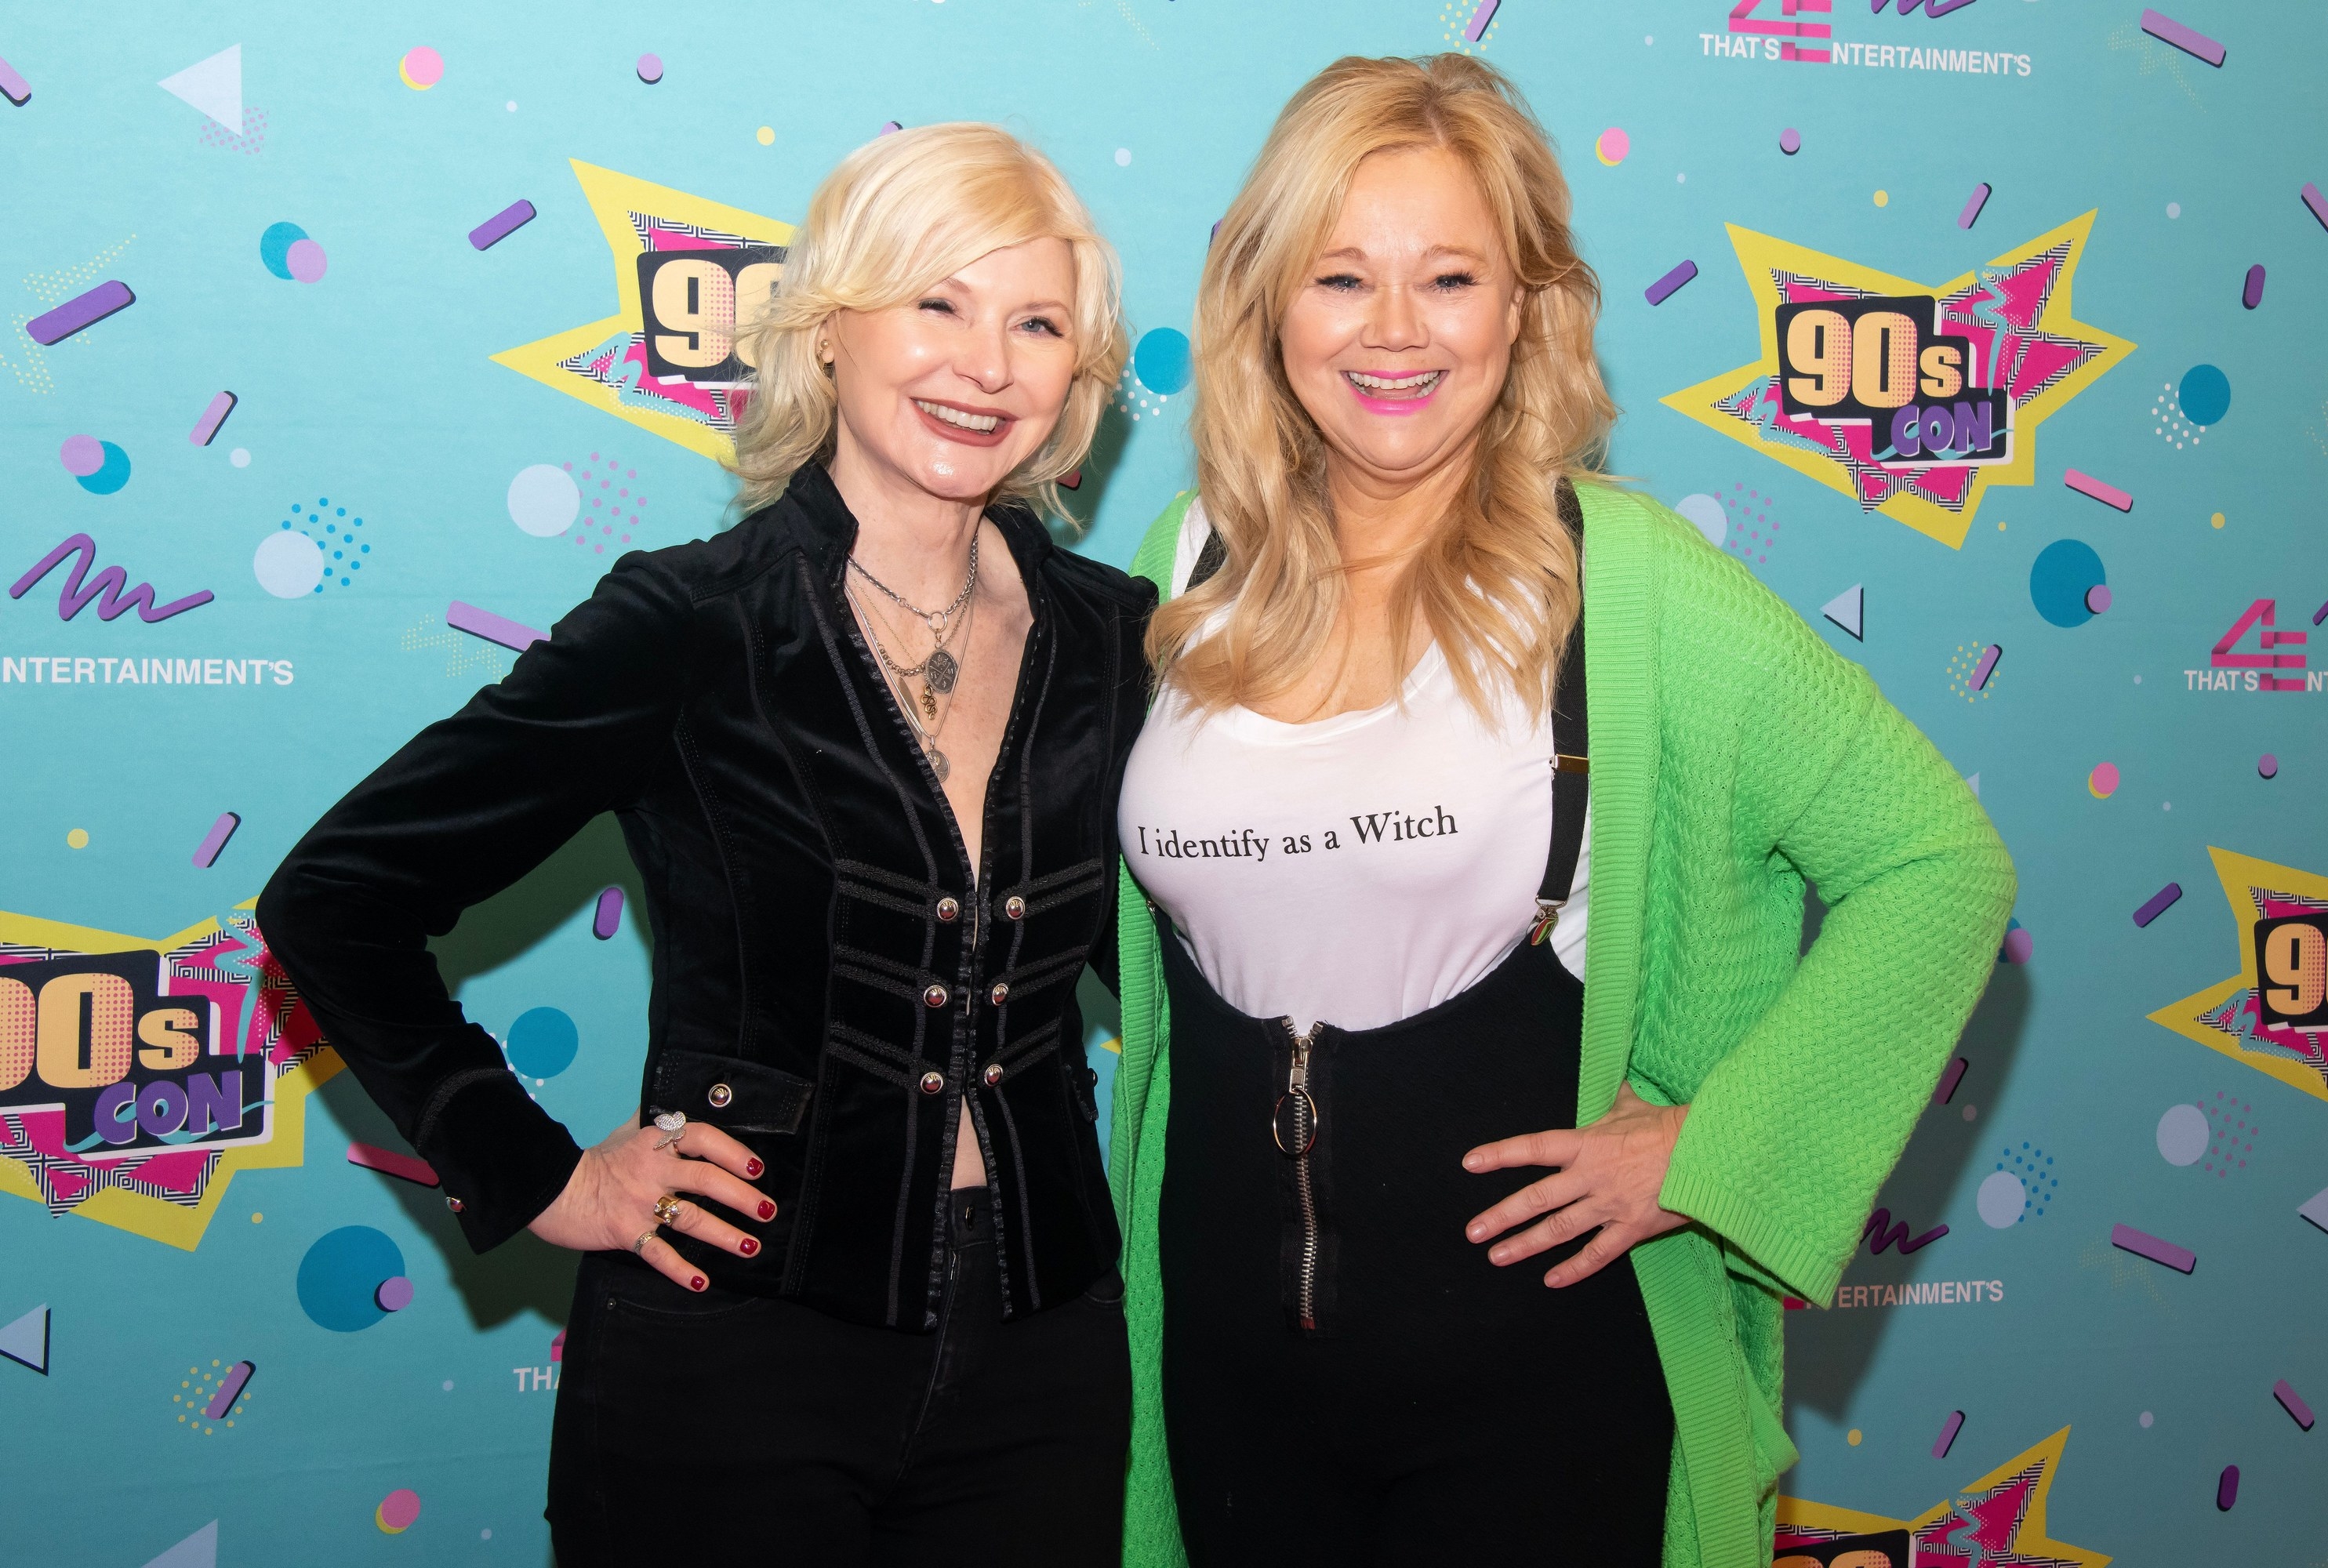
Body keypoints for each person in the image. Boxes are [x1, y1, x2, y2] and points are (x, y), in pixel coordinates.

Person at [1106, 55, 2015, 1566]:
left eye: (1449, 277)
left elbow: (1936, 861)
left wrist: (1712, 1153)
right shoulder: (1183, 561)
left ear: (1525, 309)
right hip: (1224, 1374)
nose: (1395, 331)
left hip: (1535, 1391)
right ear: (1269, 304)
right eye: (1342, 276)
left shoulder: (1630, 582)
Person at [259, 122, 1152, 1566]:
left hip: (1042, 1354)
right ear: (830, 330)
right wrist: (544, 1175)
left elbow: (1202, 957)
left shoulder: (1122, 638)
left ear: (1079, 377)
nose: (986, 363)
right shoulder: (692, 622)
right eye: (937, 300)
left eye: (1036, 321)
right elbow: (336, 897)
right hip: (732, 1349)